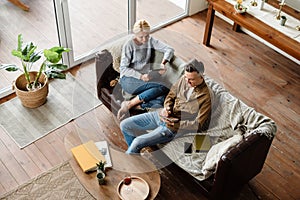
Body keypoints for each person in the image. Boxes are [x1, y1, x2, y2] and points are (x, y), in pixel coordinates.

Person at [120, 59, 212, 154]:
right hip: (161, 115)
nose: (187, 82)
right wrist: (166, 108)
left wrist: (176, 124)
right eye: (185, 78)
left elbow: (199, 124)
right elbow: (171, 95)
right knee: (125, 125)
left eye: (191, 79)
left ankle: (130, 158)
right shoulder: (183, 80)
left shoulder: (206, 96)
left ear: (201, 76)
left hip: (173, 128)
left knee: (137, 142)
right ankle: (135, 156)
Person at [117, 19, 174, 120]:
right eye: (141, 37)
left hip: (146, 78)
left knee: (164, 97)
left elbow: (169, 49)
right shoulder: (129, 45)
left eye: (147, 35)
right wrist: (140, 76)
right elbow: (123, 69)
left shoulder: (150, 40)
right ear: (135, 34)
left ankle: (139, 106)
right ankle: (129, 104)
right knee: (163, 87)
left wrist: (163, 63)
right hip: (128, 79)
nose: (144, 39)